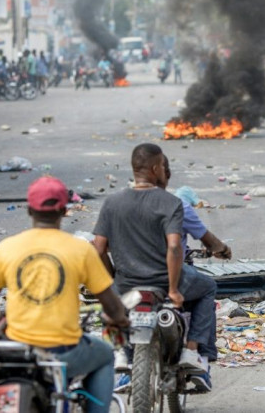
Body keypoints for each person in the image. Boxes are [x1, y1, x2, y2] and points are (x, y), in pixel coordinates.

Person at [0, 176, 129, 413]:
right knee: (105, 355)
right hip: (64, 352)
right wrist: (119, 318)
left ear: (29, 210)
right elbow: (110, 303)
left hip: (17, 352)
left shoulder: (8, 247)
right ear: (64, 210)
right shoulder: (80, 249)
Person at [92, 143, 216, 392]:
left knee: (108, 313)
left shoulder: (112, 203)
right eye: (162, 166)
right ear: (156, 168)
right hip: (166, 281)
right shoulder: (170, 202)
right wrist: (173, 289)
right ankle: (192, 351)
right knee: (208, 287)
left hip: (127, 284)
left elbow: (97, 250)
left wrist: (113, 279)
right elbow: (173, 247)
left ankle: (122, 355)